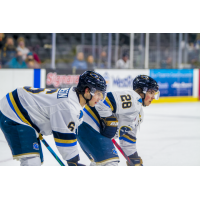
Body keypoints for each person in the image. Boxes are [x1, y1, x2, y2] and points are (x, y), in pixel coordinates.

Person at [0, 71, 107, 166]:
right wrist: (73, 162)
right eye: (98, 93)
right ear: (87, 91)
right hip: (14, 111)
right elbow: (64, 137)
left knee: (37, 159)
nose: (100, 98)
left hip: (24, 110)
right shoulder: (68, 106)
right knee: (31, 162)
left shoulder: (74, 98)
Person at [77, 75, 159, 166]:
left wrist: (134, 158)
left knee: (101, 164)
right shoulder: (133, 98)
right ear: (142, 92)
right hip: (90, 127)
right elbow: (102, 100)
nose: (153, 97)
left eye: (155, 93)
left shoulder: (139, 114)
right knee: (110, 164)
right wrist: (109, 120)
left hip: (91, 132)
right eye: (151, 92)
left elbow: (128, 141)